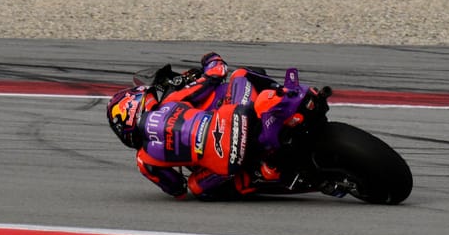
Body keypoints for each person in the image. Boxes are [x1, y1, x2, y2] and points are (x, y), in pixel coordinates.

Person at [106, 53, 317, 200]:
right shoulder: (171, 101)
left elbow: (177, 189)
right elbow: (217, 72)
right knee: (241, 74)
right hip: (237, 116)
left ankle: (257, 176)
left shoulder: (144, 160)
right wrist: (210, 58)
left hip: (224, 162)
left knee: (196, 188)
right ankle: (285, 95)